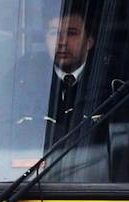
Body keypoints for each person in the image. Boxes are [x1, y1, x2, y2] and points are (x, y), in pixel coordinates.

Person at [11, 9, 106, 146]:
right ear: (45, 39)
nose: (62, 42)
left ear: (89, 41)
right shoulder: (21, 79)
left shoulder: (110, 81)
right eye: (54, 33)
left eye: (71, 33)